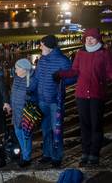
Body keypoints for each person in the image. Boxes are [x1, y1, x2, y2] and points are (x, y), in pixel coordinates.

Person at [56, 28, 112, 166]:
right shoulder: (80, 53)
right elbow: (74, 71)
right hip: (81, 95)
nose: (89, 40)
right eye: (87, 38)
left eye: (92, 38)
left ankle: (94, 154)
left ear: (98, 39)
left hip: (96, 94)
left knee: (96, 125)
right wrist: (61, 74)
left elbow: (110, 72)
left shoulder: (104, 54)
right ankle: (85, 152)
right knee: (84, 125)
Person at [29, 35, 73, 168]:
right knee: (45, 130)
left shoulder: (62, 60)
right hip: (42, 101)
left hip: (55, 102)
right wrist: (29, 89)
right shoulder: (42, 59)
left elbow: (74, 77)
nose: (40, 47)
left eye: (41, 44)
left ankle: (57, 156)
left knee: (56, 131)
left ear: (48, 45)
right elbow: (36, 78)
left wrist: (61, 77)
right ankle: (47, 154)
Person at [11, 58, 36, 167]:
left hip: (26, 113)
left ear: (24, 69)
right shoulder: (16, 78)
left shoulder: (32, 80)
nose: (15, 70)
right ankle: (24, 153)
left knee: (26, 136)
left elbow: (34, 97)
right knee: (18, 134)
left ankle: (26, 157)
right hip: (16, 112)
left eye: (17, 68)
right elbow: (13, 94)